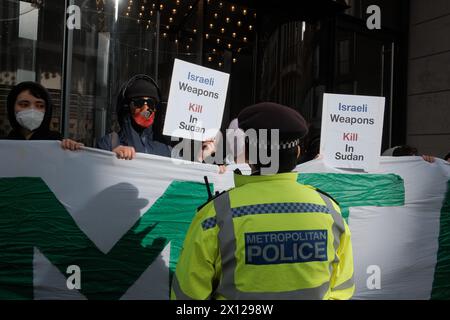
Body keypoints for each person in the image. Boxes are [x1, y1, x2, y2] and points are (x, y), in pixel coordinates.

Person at [171, 102, 355, 300]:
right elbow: (342, 289)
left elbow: (187, 297)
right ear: (298, 153)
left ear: (249, 155)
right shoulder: (329, 210)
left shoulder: (216, 215)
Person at [95, 74, 172, 160]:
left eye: (151, 103)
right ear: (127, 107)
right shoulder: (109, 143)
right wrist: (110, 157)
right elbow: (91, 167)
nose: (146, 108)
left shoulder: (166, 148)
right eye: (139, 102)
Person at [5, 81, 81, 150]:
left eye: (40, 106)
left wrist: (72, 149)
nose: (32, 110)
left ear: (47, 110)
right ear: (12, 108)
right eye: (24, 105)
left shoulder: (58, 143)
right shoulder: (5, 144)